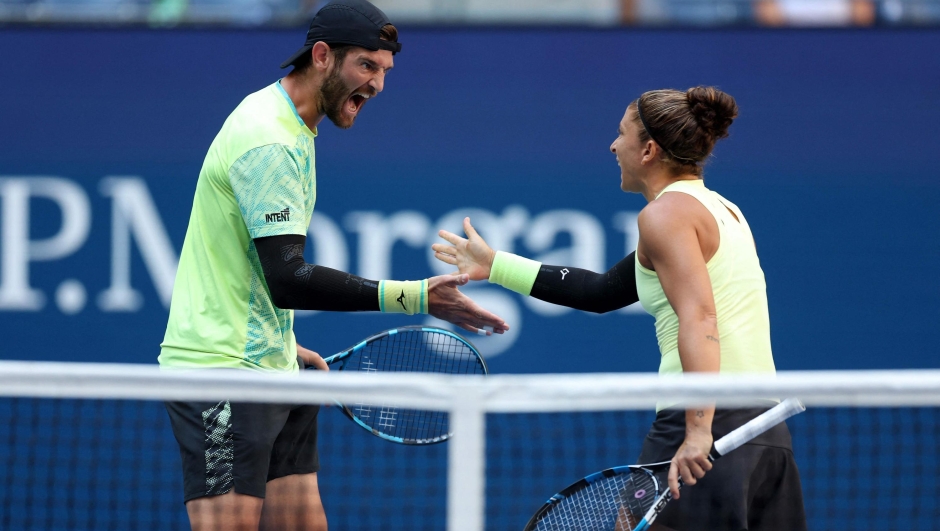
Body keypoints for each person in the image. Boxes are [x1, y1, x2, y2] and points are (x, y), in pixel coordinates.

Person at [158, 1, 509, 529]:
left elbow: (248, 266)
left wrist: (282, 345)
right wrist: (416, 296)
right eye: (366, 66)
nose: (378, 85)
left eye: (384, 71)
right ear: (322, 56)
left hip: (271, 367)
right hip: (223, 374)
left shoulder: (293, 126)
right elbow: (286, 277)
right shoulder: (270, 139)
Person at [433, 86, 806, 530]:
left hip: (708, 424)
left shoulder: (665, 215)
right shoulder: (722, 210)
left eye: (621, 133)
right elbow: (603, 291)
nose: (612, 145)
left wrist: (698, 428)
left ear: (648, 149)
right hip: (766, 431)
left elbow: (700, 317)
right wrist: (495, 265)